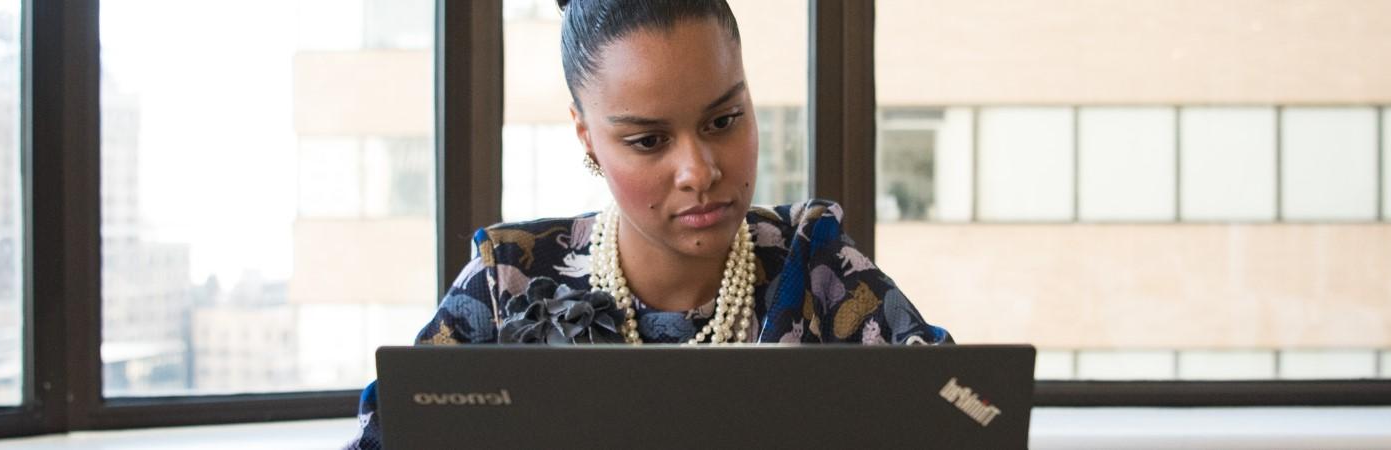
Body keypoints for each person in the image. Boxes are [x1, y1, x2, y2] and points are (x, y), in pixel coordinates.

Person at [345, 0, 949, 447]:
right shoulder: (509, 283)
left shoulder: (817, 265)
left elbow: (959, 410)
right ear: (587, 136)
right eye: (648, 139)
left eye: (724, 120)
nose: (698, 171)